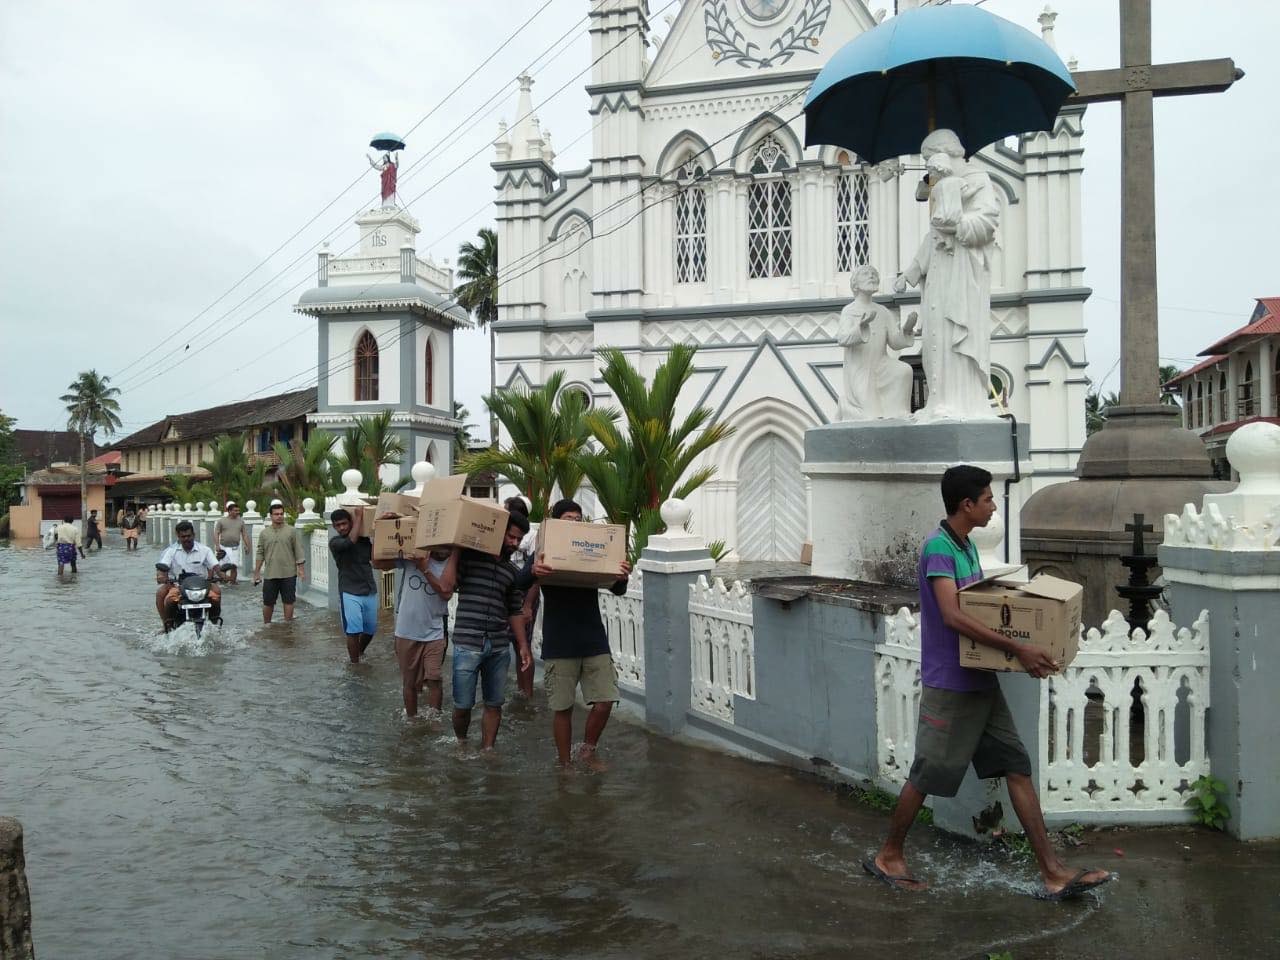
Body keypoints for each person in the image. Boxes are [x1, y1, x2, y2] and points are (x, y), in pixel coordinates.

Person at [865, 465, 1114, 902]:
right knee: (926, 775)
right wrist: (1019, 649)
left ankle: (1053, 872)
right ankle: (889, 855)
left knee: (1016, 766)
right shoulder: (939, 548)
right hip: (952, 686)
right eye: (987, 498)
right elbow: (953, 615)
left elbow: (979, 607)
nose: (993, 505)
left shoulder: (966, 548)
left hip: (980, 682)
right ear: (967, 505)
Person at [893, 128, 1000, 422]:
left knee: (955, 335)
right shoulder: (940, 186)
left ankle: (960, 402)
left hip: (963, 274)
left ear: (946, 154)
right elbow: (931, 238)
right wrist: (910, 273)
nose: (929, 169)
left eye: (930, 160)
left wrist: (957, 225)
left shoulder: (977, 181)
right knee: (935, 337)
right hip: (939, 278)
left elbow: (987, 223)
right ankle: (939, 398)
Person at [528, 499, 632, 769]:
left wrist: (622, 576)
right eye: (568, 518)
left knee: (606, 700)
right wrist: (532, 572)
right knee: (563, 708)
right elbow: (518, 581)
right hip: (559, 642)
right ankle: (564, 764)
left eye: (577, 518)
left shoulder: (590, 548)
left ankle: (588, 749)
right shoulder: (545, 549)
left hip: (593, 638)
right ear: (557, 521)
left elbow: (617, 589)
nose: (573, 522)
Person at [437, 511, 532, 750]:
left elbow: (514, 610)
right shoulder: (469, 559)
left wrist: (522, 646)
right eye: (511, 537)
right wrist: (457, 551)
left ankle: (488, 750)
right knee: (462, 705)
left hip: (499, 646)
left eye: (519, 540)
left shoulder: (510, 571)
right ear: (499, 532)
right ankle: (461, 742)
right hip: (468, 642)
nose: (515, 543)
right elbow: (446, 588)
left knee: (494, 703)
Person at [374, 545, 453, 717]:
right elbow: (377, 563)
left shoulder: (452, 565)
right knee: (409, 682)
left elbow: (446, 592)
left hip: (434, 632)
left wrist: (424, 569)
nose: (444, 550)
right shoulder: (413, 558)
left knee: (435, 679)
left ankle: (434, 719)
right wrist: (380, 526)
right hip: (406, 631)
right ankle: (412, 720)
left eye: (448, 546)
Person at [837, 266, 917, 421]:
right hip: (861, 369)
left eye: (874, 274)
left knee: (904, 370)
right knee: (869, 415)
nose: (872, 276)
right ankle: (845, 407)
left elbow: (894, 342)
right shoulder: (849, 310)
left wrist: (906, 330)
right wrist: (861, 327)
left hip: (882, 365)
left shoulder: (883, 311)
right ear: (855, 284)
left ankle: (899, 412)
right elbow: (842, 338)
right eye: (866, 274)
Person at [328, 508, 379, 663]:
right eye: (338, 525)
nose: (341, 527)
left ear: (349, 523)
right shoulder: (335, 542)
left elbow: (376, 555)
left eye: (344, 523)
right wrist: (359, 517)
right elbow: (350, 542)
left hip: (369, 589)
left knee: (370, 630)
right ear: (334, 527)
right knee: (353, 631)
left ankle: (360, 653)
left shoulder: (364, 541)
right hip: (349, 591)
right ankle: (354, 664)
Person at [155, 520, 223, 630]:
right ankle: (167, 625)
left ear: (194, 535)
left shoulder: (205, 550)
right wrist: (161, 576)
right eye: (183, 536)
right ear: (178, 536)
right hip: (177, 585)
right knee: (168, 600)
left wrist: (223, 575)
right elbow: (162, 566)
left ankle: (214, 624)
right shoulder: (171, 551)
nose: (186, 539)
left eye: (189, 536)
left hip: (202, 585)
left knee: (217, 595)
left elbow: (215, 566)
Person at [504, 495, 538, 699]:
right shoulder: (501, 533)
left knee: (522, 644)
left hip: (524, 595)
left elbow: (535, 576)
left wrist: (527, 605)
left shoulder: (533, 536)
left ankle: (527, 691)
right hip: (505, 591)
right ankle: (519, 689)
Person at [252, 501, 306, 623]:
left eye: (281, 514)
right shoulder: (264, 533)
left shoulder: (291, 531)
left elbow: (298, 550)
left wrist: (301, 570)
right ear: (270, 516)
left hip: (289, 573)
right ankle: (267, 626)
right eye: (276, 514)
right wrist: (256, 573)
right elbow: (260, 553)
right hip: (270, 574)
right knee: (268, 602)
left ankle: (288, 626)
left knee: (289, 601)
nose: (279, 516)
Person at [213, 501, 252, 586]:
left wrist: (247, 546)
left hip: (235, 547)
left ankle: (233, 581)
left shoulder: (241, 521)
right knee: (223, 566)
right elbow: (216, 533)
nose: (237, 512)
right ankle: (224, 580)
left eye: (238, 510)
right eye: (235, 510)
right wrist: (217, 545)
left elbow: (244, 534)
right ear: (229, 511)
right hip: (223, 547)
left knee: (234, 566)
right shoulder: (221, 521)